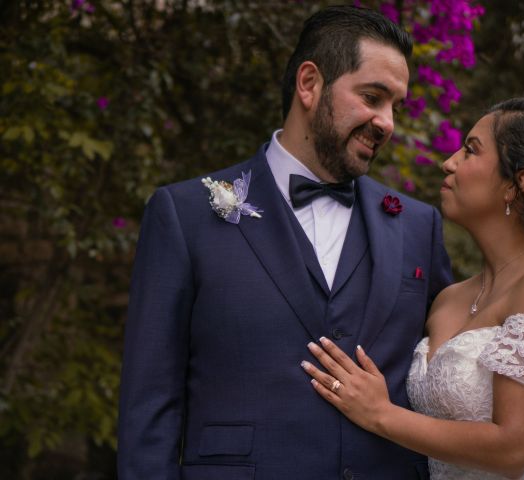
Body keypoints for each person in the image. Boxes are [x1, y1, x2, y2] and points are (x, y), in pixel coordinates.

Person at [117, 5, 453, 479]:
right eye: (373, 97)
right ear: (309, 84)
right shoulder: (184, 215)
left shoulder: (420, 226)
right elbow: (148, 406)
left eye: (395, 105)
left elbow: (463, 354)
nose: (387, 122)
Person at [302, 97, 524, 479]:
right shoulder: (449, 299)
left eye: (470, 150)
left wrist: (380, 414)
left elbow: (513, 450)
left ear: (518, 184)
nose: (449, 162)